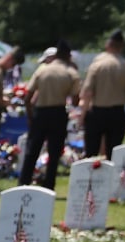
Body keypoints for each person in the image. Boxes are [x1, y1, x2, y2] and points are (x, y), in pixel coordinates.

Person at [19, 42, 80, 189]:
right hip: (58, 112)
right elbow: (75, 100)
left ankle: (24, 182)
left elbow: (28, 98)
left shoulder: (42, 71)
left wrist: (30, 116)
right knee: (54, 152)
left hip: (40, 112)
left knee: (32, 150)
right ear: (68, 56)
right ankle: (49, 184)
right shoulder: (71, 73)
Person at [81, 31, 125, 159]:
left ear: (107, 45)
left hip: (97, 112)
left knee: (91, 152)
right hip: (117, 112)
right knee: (113, 154)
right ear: (122, 47)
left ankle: (91, 178)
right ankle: (111, 178)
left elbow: (87, 93)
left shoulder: (97, 65)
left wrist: (82, 115)